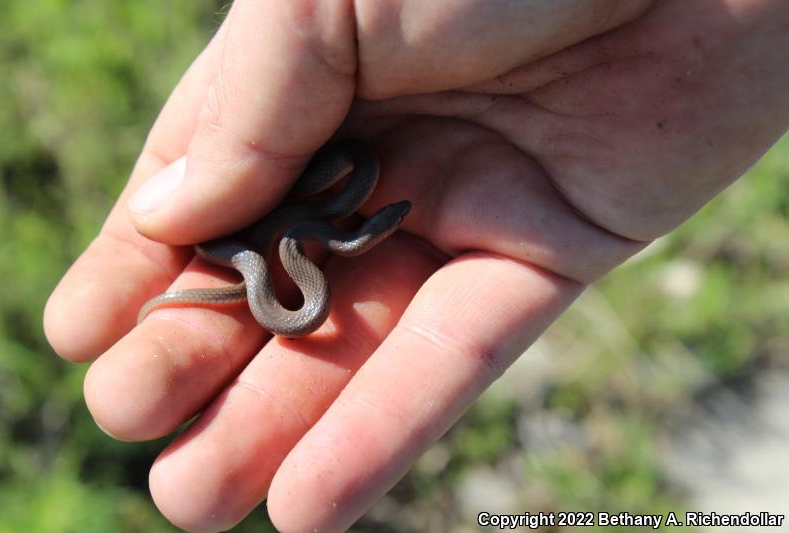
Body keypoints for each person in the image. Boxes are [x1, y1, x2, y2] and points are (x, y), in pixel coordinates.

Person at [44, 1, 789, 531]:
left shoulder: (323, 232)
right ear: (364, 229)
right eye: (381, 222)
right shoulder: (314, 239)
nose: (387, 216)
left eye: (380, 222)